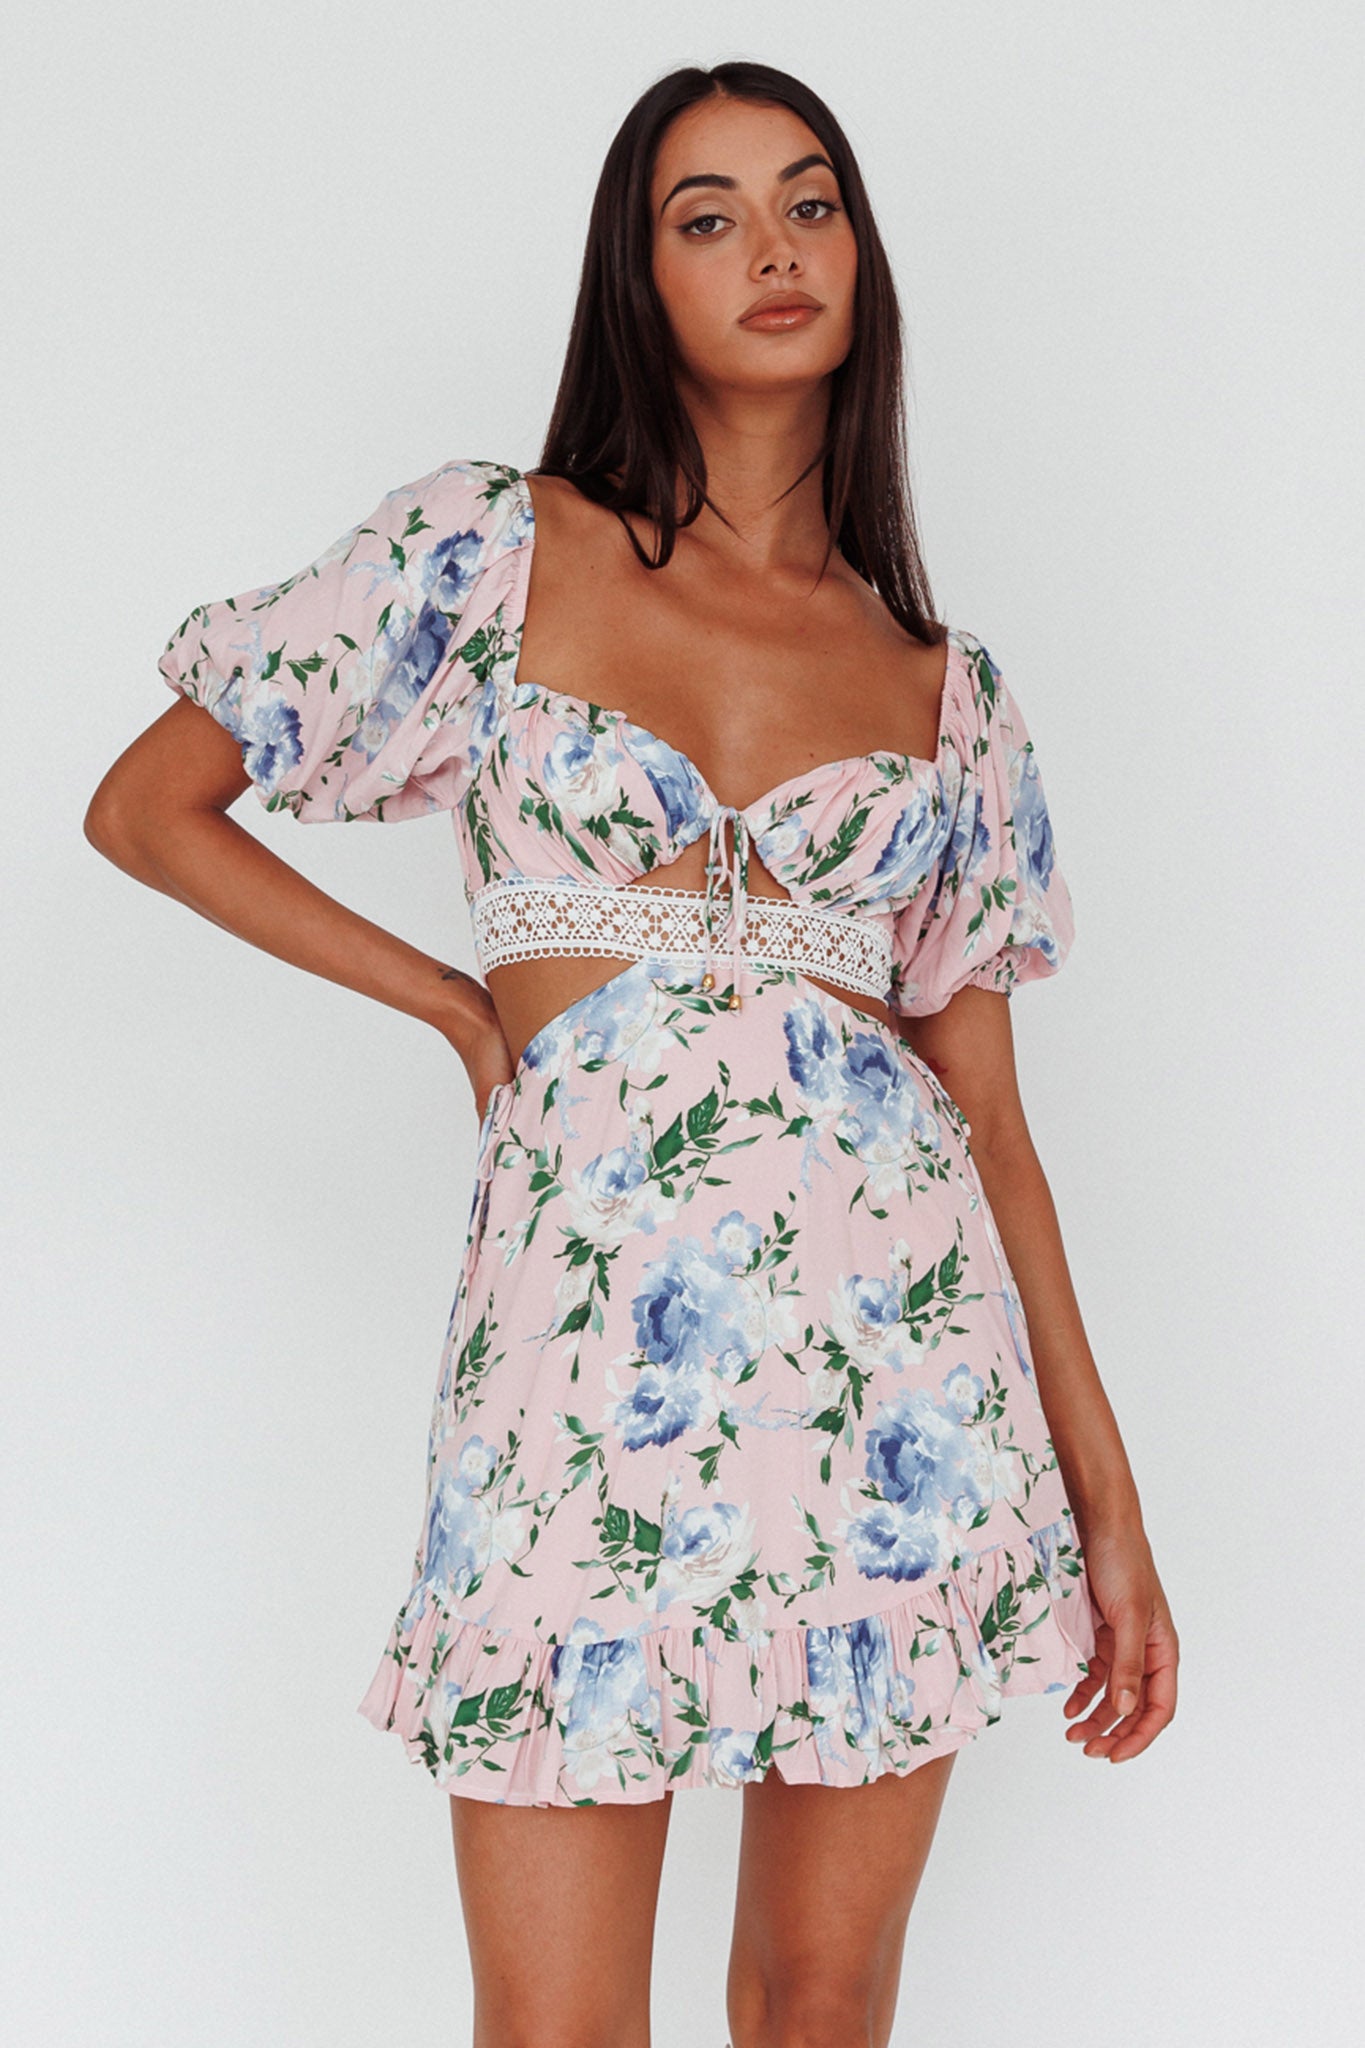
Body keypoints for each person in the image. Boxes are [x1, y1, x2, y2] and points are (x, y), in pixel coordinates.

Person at [86, 58, 1178, 2048]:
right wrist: (451, 1001)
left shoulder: (942, 687)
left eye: (810, 202)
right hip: (581, 1378)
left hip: (896, 1392)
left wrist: (1107, 1509)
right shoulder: (490, 550)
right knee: (555, 2027)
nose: (772, 247)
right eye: (707, 215)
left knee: (820, 2006)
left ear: (860, 254)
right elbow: (151, 807)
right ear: (637, 274)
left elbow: (994, 1130)